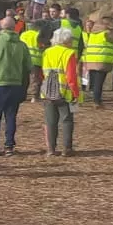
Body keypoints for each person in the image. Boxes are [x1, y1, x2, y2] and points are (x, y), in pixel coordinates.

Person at [0, 16, 31, 156]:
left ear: (2, 28)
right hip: (15, 84)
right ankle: (9, 146)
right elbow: (28, 66)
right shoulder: (22, 45)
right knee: (11, 116)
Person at [40, 25, 82, 157]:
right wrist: (75, 93)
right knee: (66, 120)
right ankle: (66, 149)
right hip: (64, 92)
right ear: (66, 41)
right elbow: (71, 76)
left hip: (47, 90)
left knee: (50, 121)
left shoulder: (47, 52)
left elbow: (43, 72)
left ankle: (51, 149)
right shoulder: (69, 53)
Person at [81, 16, 113, 108]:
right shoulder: (107, 33)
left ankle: (94, 98)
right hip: (102, 60)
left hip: (91, 59)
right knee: (99, 82)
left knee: (94, 81)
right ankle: (97, 101)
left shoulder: (93, 34)